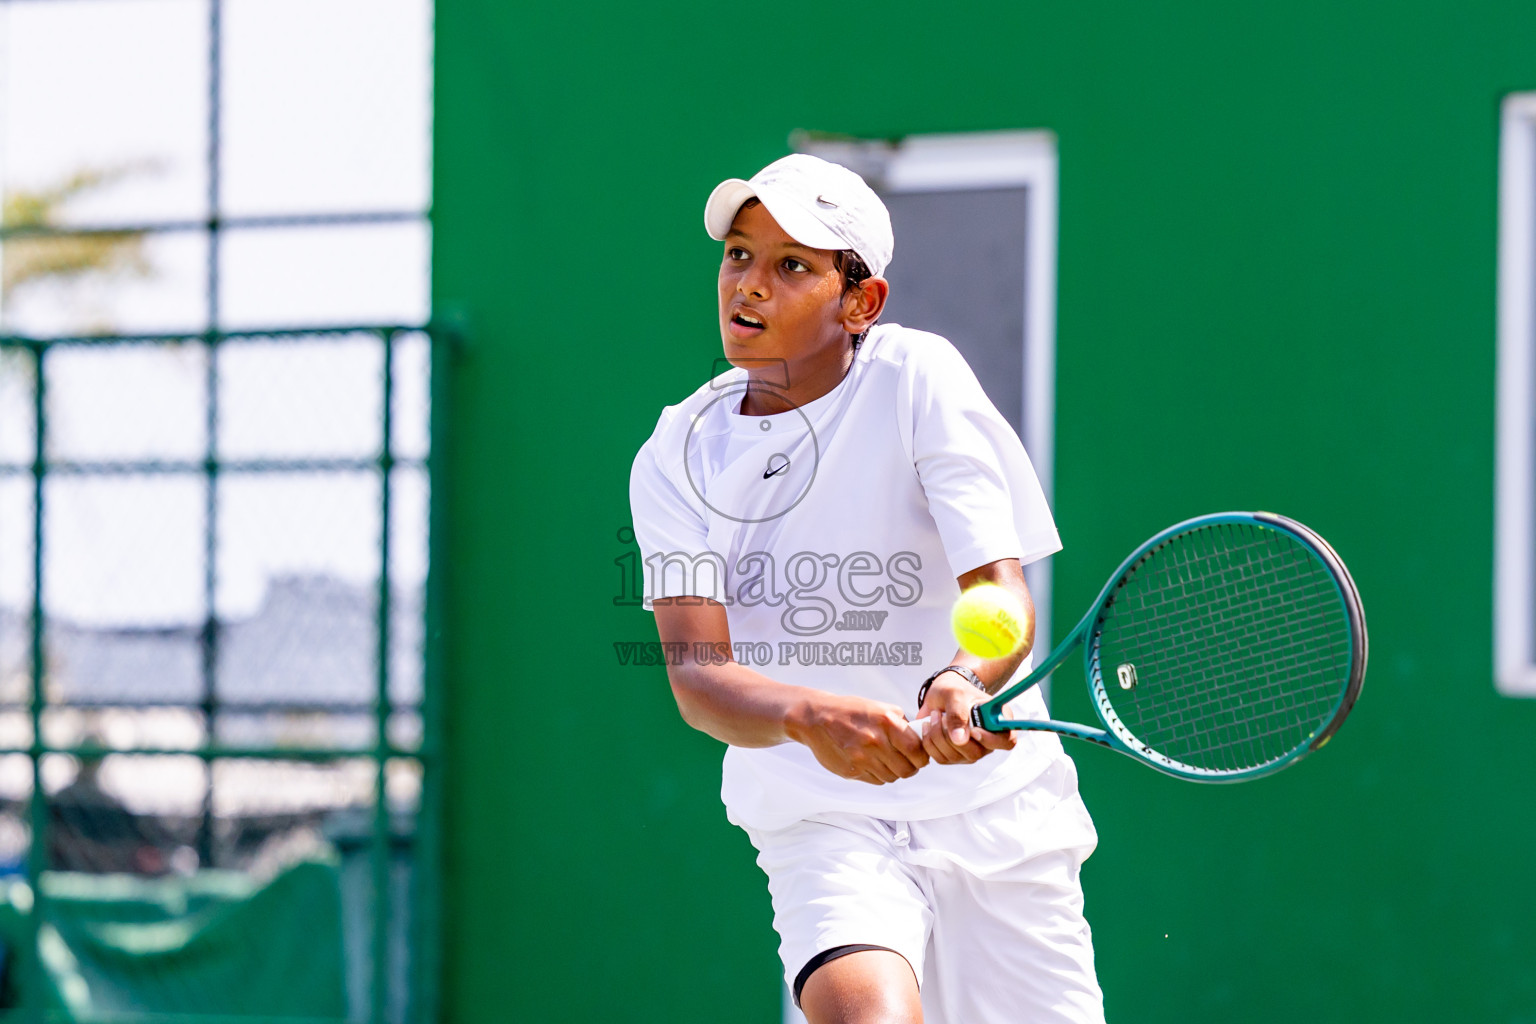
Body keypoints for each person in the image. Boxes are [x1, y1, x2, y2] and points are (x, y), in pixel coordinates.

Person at [630, 153, 1103, 1024]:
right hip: (823, 817)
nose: (751, 284)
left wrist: (961, 679)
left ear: (861, 302)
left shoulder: (918, 378)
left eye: (792, 265)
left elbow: (999, 594)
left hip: (998, 815)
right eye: (739, 254)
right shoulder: (675, 453)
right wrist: (811, 719)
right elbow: (699, 680)